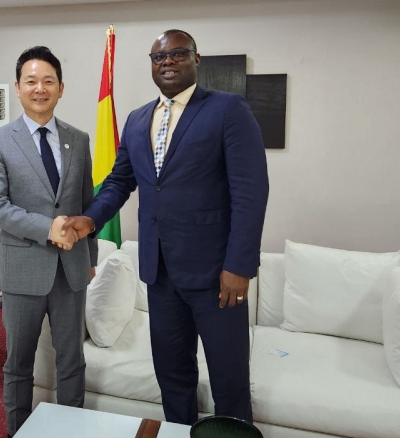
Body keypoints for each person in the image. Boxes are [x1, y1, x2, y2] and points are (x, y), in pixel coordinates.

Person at [61, 30, 269, 425]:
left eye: (178, 53)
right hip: (159, 274)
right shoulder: (138, 119)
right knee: (172, 376)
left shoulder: (228, 110)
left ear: (196, 59)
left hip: (216, 275)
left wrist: (240, 266)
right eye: (159, 57)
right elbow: (119, 181)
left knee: (229, 380)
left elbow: (250, 192)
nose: (168, 61)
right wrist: (91, 218)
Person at [0, 46, 98, 437]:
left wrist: (91, 257)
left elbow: (87, 205)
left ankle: (71, 432)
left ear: (61, 88)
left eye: (48, 81)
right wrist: (48, 228)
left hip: (72, 270)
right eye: (31, 81)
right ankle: (17, 431)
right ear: (17, 87)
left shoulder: (78, 139)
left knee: (72, 362)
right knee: (18, 364)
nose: (40, 88)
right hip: (22, 270)